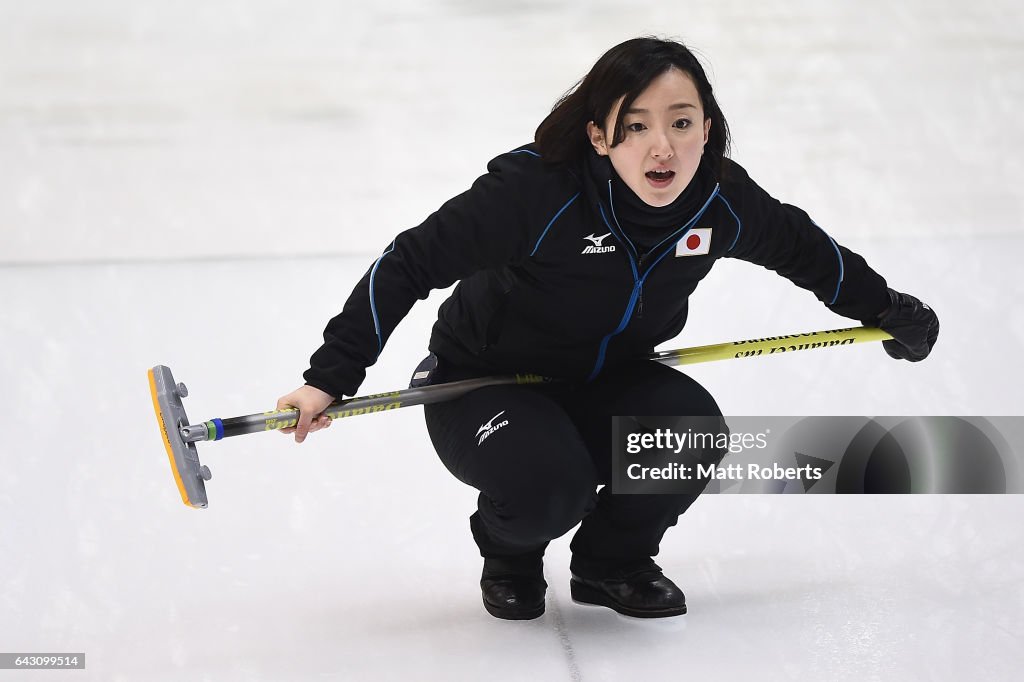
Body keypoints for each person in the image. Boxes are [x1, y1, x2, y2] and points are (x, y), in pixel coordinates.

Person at [276, 37, 939, 620]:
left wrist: (883, 309)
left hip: (604, 380)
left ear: (706, 129)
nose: (663, 147)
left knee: (688, 431)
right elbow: (408, 262)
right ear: (600, 135)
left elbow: (804, 249)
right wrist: (328, 378)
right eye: (638, 126)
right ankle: (509, 554)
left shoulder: (717, 201)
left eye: (682, 123)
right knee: (549, 487)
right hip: (480, 382)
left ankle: (610, 563)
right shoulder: (539, 194)